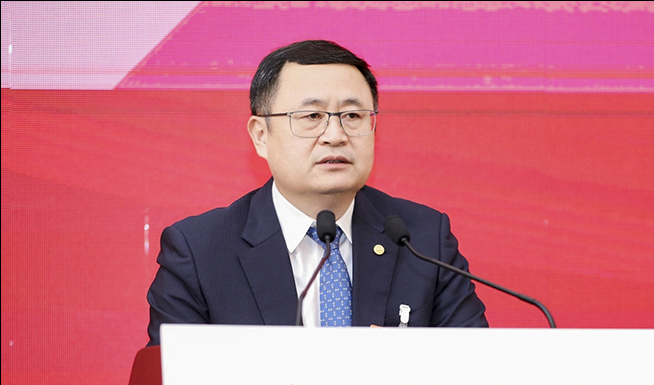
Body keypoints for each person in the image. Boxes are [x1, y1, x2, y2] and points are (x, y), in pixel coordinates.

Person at [146, 40, 488, 345]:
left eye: (352, 115)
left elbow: (477, 371)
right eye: (312, 116)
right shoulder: (199, 252)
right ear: (261, 135)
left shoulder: (423, 240)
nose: (335, 135)